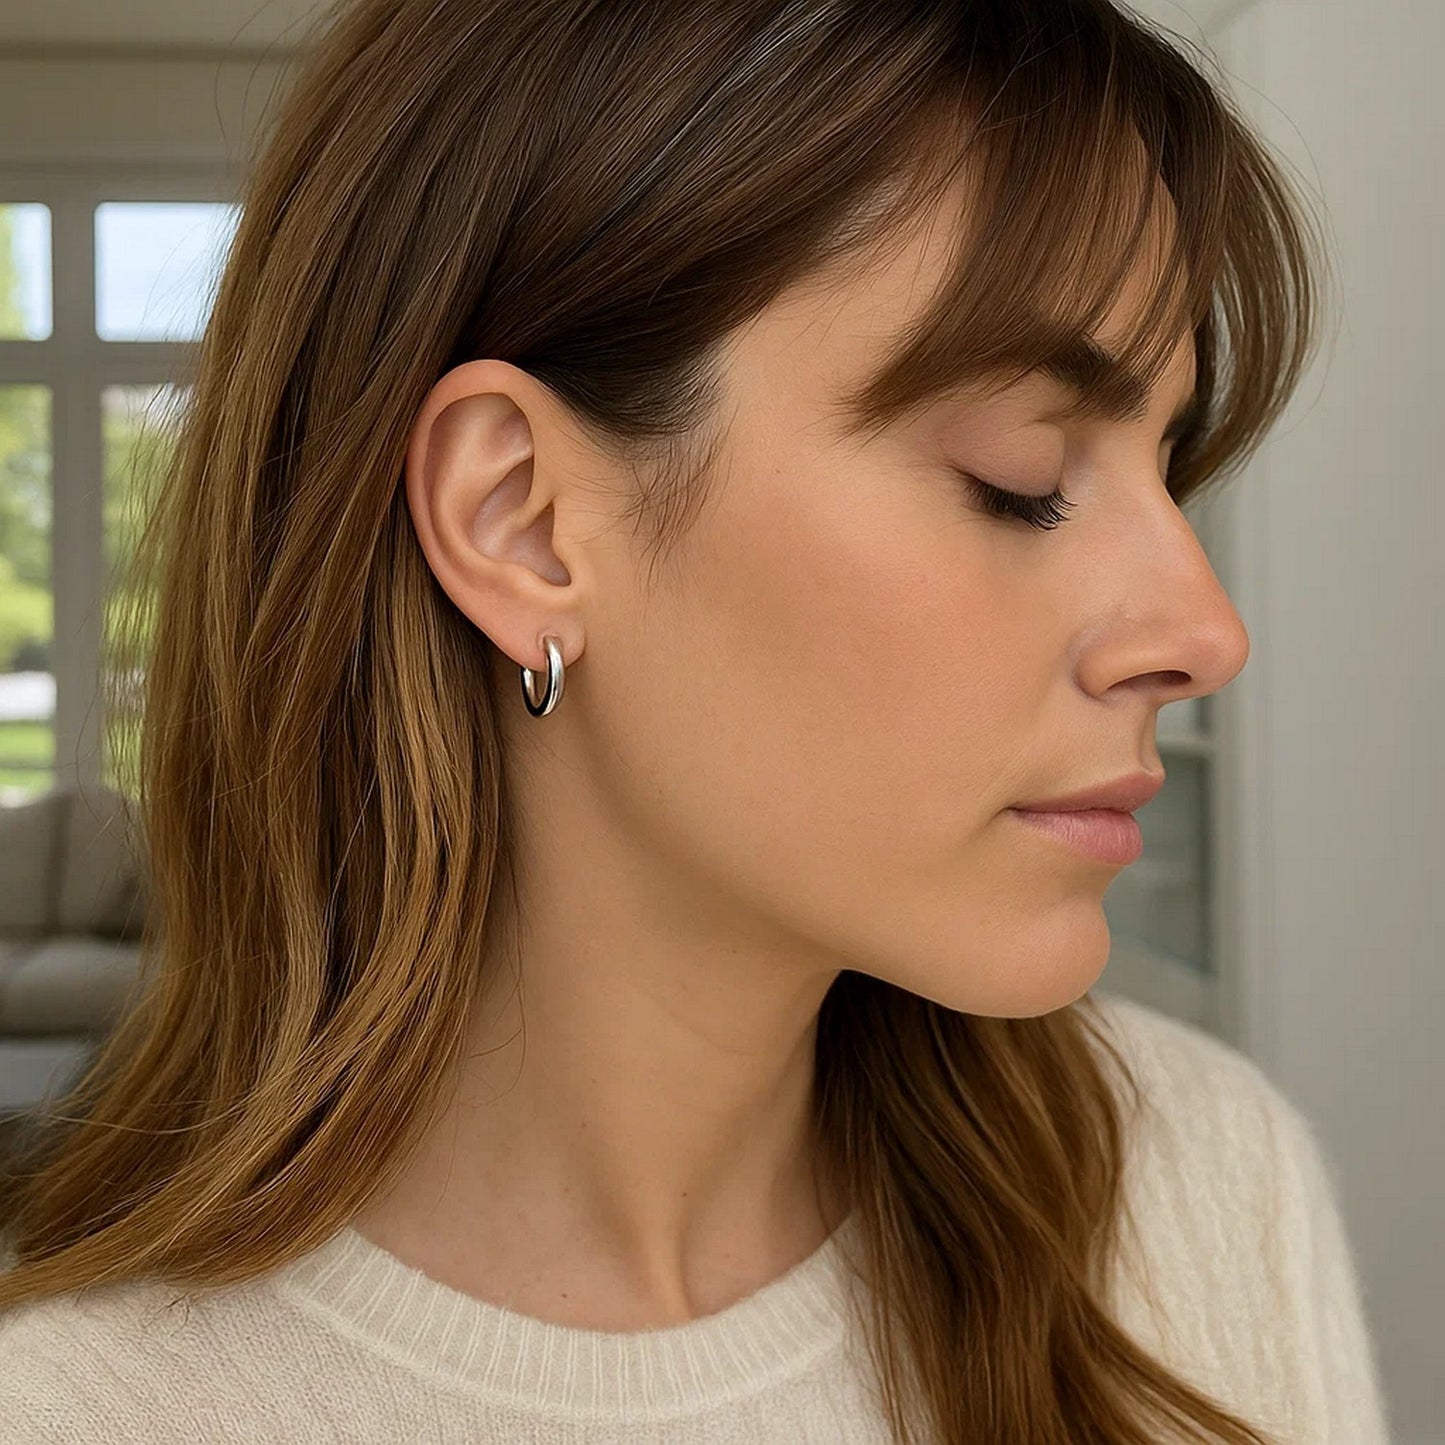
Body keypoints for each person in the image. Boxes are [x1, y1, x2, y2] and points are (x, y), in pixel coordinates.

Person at [0, 0, 1391, 1440]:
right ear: (520, 521)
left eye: (1167, 465)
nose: (1205, 633)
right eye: (1020, 477)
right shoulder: (87, 1412)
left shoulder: (1200, 1187)